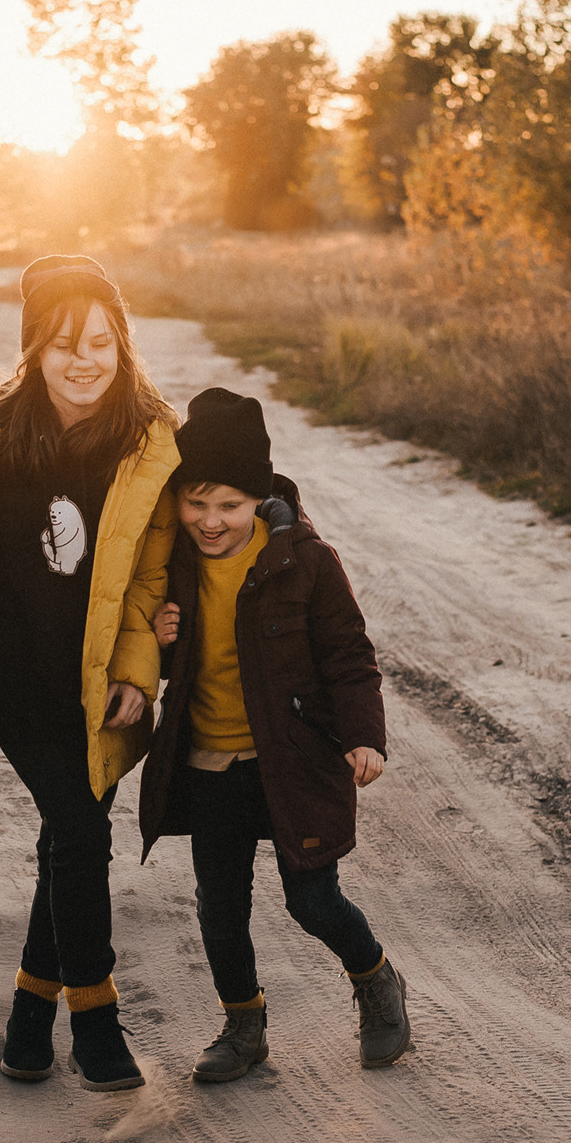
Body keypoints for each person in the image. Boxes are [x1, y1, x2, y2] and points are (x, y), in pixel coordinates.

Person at [0, 256, 179, 1092]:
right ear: (34, 352)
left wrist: (139, 664)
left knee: (68, 837)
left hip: (93, 684)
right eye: (63, 345)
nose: (83, 359)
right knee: (83, 831)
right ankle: (94, 1018)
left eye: (99, 341)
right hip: (11, 679)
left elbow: (151, 575)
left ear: (121, 344)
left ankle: (28, 1017)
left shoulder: (149, 440)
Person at [138, 387, 411, 1082]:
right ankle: (243, 1024)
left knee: (311, 898)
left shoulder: (305, 561)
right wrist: (160, 640)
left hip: (290, 759)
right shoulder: (172, 563)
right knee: (220, 906)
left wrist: (364, 736)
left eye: (227, 505)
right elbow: (159, 655)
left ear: (257, 500)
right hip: (209, 760)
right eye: (194, 504)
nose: (209, 521)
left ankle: (377, 982)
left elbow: (350, 654)